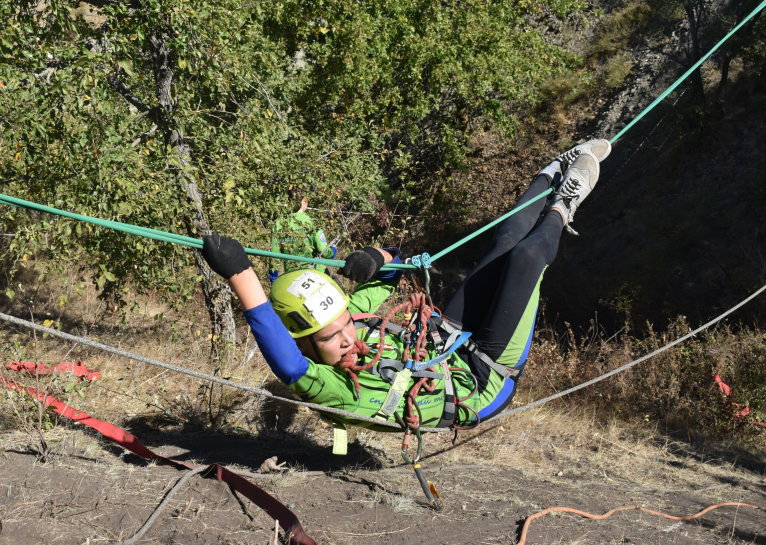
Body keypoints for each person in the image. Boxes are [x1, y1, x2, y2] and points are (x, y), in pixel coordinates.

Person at [200, 141, 611, 429]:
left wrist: (377, 257)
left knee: (504, 245)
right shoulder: (329, 386)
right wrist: (240, 274)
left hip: (443, 341)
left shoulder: (350, 323)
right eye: (331, 337)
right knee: (524, 260)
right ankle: (565, 203)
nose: (349, 338)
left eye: (346, 324)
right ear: (304, 344)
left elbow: (396, 263)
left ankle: (553, 172)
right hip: (482, 383)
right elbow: (286, 365)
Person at [269, 197, 337, 284]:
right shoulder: (312, 223)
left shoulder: (278, 224)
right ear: (305, 202)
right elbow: (324, 252)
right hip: (315, 275)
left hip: (292, 276)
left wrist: (273, 280)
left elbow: (274, 257)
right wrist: (334, 251)